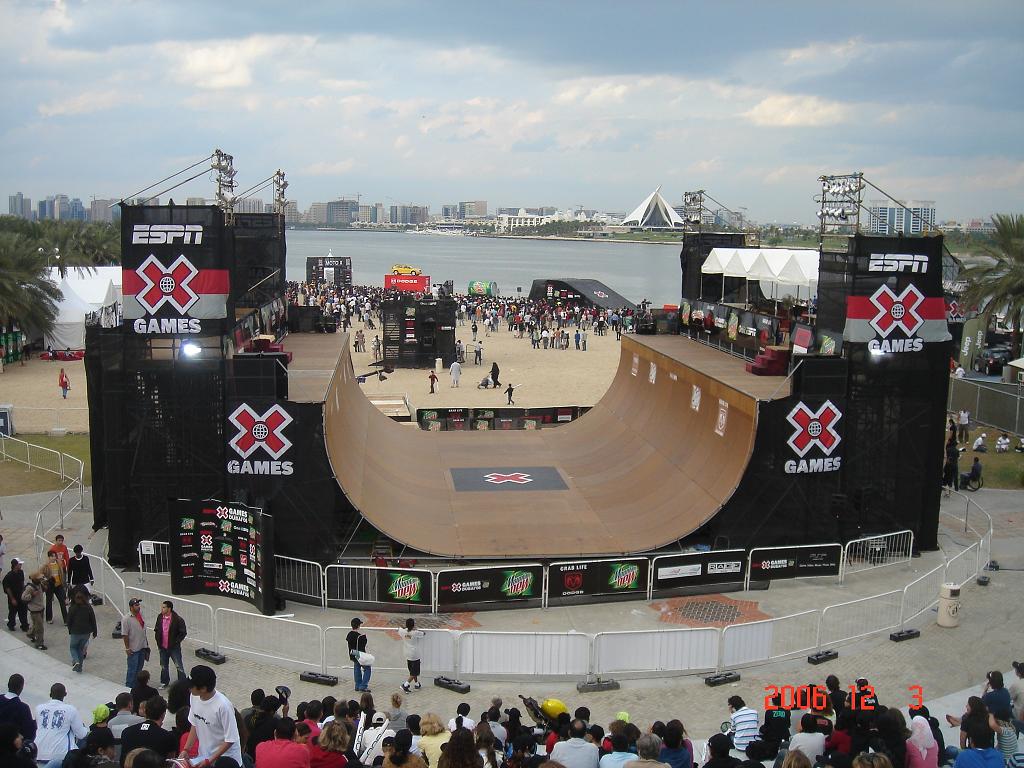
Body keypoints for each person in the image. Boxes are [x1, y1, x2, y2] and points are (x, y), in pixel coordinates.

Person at [180, 664, 243, 767]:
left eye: (191, 686)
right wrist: (186, 750)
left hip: (225, 761)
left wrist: (209, 760)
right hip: (205, 757)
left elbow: (230, 739)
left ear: (203, 688)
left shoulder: (223, 706)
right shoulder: (194, 697)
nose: (188, 688)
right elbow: (195, 724)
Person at [36, 682, 89, 767]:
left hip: (38, 754)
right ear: (65, 694)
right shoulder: (71, 709)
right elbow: (81, 734)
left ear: (50, 694)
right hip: (61, 756)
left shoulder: (39, 708)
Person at [119, 696, 177, 766]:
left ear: (146, 712)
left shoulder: (126, 732)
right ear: (163, 714)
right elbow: (170, 762)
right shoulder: (168, 737)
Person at [154, 600, 188, 687]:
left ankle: (183, 684)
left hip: (174, 648)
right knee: (163, 666)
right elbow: (157, 629)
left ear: (169, 609)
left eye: (164, 607)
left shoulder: (178, 619)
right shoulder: (160, 617)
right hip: (162, 647)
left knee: (179, 666)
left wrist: (176, 642)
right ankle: (164, 682)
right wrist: (158, 641)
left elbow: (183, 632)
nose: (162, 609)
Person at [122, 597, 150, 688]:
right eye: (136, 605)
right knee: (132, 670)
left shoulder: (141, 615)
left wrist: (146, 645)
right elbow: (125, 635)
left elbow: (143, 630)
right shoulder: (126, 619)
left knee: (139, 669)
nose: (138, 606)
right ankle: (129, 687)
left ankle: (137, 686)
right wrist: (127, 648)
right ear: (131, 607)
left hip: (142, 647)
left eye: (138, 605)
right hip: (133, 649)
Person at [0, 674, 36, 743]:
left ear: (8, 685)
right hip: (9, 746)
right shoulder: (23, 708)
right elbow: (29, 734)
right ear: (21, 688)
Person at [399, 618, 425, 693]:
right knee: (415, 672)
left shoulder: (402, 631)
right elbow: (423, 633)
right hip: (415, 654)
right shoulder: (415, 632)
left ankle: (416, 683)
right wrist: (416, 629)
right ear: (413, 625)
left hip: (407, 653)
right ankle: (405, 685)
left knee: (412, 670)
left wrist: (405, 628)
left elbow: (399, 628)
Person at [42, 550, 68, 625]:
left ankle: (66, 620)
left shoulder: (58, 563)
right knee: (49, 602)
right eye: (52, 556)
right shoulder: (46, 565)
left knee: (62, 601)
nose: (54, 557)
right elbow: (42, 574)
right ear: (49, 557)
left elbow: (61, 574)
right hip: (50, 585)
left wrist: (63, 583)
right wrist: (46, 582)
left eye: (54, 556)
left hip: (58, 585)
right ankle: (49, 618)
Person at [347, 617, 371, 692]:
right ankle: (363, 686)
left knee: (357, 667)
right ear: (358, 626)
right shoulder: (360, 636)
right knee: (367, 669)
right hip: (360, 654)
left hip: (353, 653)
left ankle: (357, 685)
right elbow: (363, 645)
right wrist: (364, 637)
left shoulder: (349, 634)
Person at [23, 571, 47, 649]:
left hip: (41, 608)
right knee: (40, 628)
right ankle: (39, 644)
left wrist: (45, 586)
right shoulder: (30, 588)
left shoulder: (40, 584)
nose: (40, 579)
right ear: (35, 579)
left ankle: (30, 634)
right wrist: (32, 595)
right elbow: (23, 597)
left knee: (36, 625)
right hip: (34, 610)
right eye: (39, 578)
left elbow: (44, 590)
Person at [3, 558, 28, 632]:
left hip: (21, 596)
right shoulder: (8, 576)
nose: (21, 565)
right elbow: (7, 588)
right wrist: (12, 599)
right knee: (12, 612)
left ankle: (24, 626)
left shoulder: (21, 572)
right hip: (13, 596)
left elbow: (22, 583)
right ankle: (11, 624)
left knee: (23, 611)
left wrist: (24, 592)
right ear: (15, 565)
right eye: (19, 564)